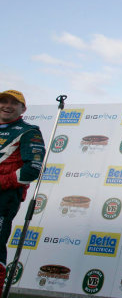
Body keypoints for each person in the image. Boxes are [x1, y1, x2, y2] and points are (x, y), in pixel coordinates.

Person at [0, 90, 45, 296]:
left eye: (13, 103)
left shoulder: (29, 131)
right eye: (3, 101)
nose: (7, 106)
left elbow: (31, 170)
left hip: (4, 198)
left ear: (23, 109)